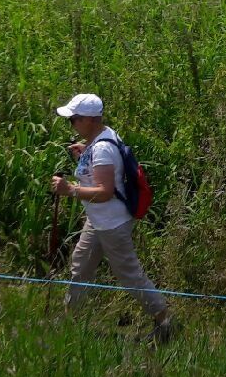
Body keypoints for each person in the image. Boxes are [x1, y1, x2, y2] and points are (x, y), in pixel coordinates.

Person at [49, 93, 173, 342]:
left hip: (112, 224)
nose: (71, 124)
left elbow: (105, 192)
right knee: (81, 264)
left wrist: (70, 190)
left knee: (129, 275)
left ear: (90, 120)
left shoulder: (103, 148)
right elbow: (102, 175)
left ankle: (165, 322)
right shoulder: (99, 140)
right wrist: (85, 154)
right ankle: (71, 320)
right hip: (98, 221)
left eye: (74, 119)